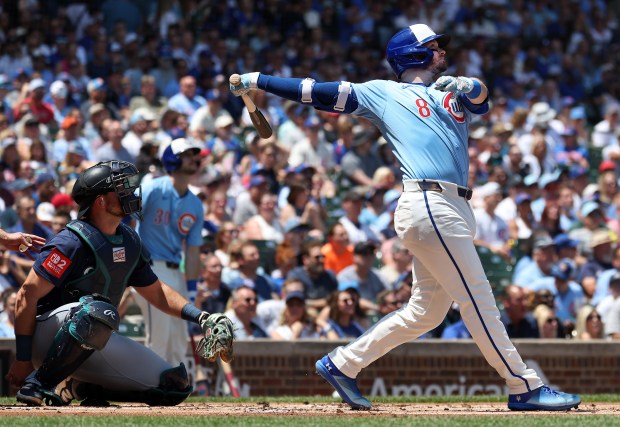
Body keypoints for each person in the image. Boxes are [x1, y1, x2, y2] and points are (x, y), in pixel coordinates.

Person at [230, 23, 580, 410]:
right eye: (434, 47)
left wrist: (467, 85)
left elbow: (482, 100)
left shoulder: (450, 94)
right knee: (478, 297)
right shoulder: (384, 92)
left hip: (455, 207)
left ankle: (343, 364)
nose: (442, 53)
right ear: (413, 54)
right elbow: (316, 91)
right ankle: (524, 386)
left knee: (425, 313)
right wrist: (257, 80)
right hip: (428, 201)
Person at [6, 160, 232, 407]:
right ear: (101, 201)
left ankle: (81, 386)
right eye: (121, 189)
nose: (130, 194)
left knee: (174, 385)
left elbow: (158, 293)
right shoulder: (70, 242)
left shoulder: (129, 241)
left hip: (93, 337)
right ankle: (38, 383)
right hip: (46, 336)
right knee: (98, 311)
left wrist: (202, 318)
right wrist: (23, 358)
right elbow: (26, 295)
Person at [132, 138, 204, 367]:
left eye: (195, 154)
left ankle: (173, 390)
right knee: (159, 337)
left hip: (176, 272)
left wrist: (191, 290)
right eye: (187, 154)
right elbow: (124, 214)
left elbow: (193, 251)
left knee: (178, 340)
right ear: (173, 159)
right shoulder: (153, 187)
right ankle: (151, 387)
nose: (194, 158)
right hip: (150, 268)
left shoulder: (195, 203)